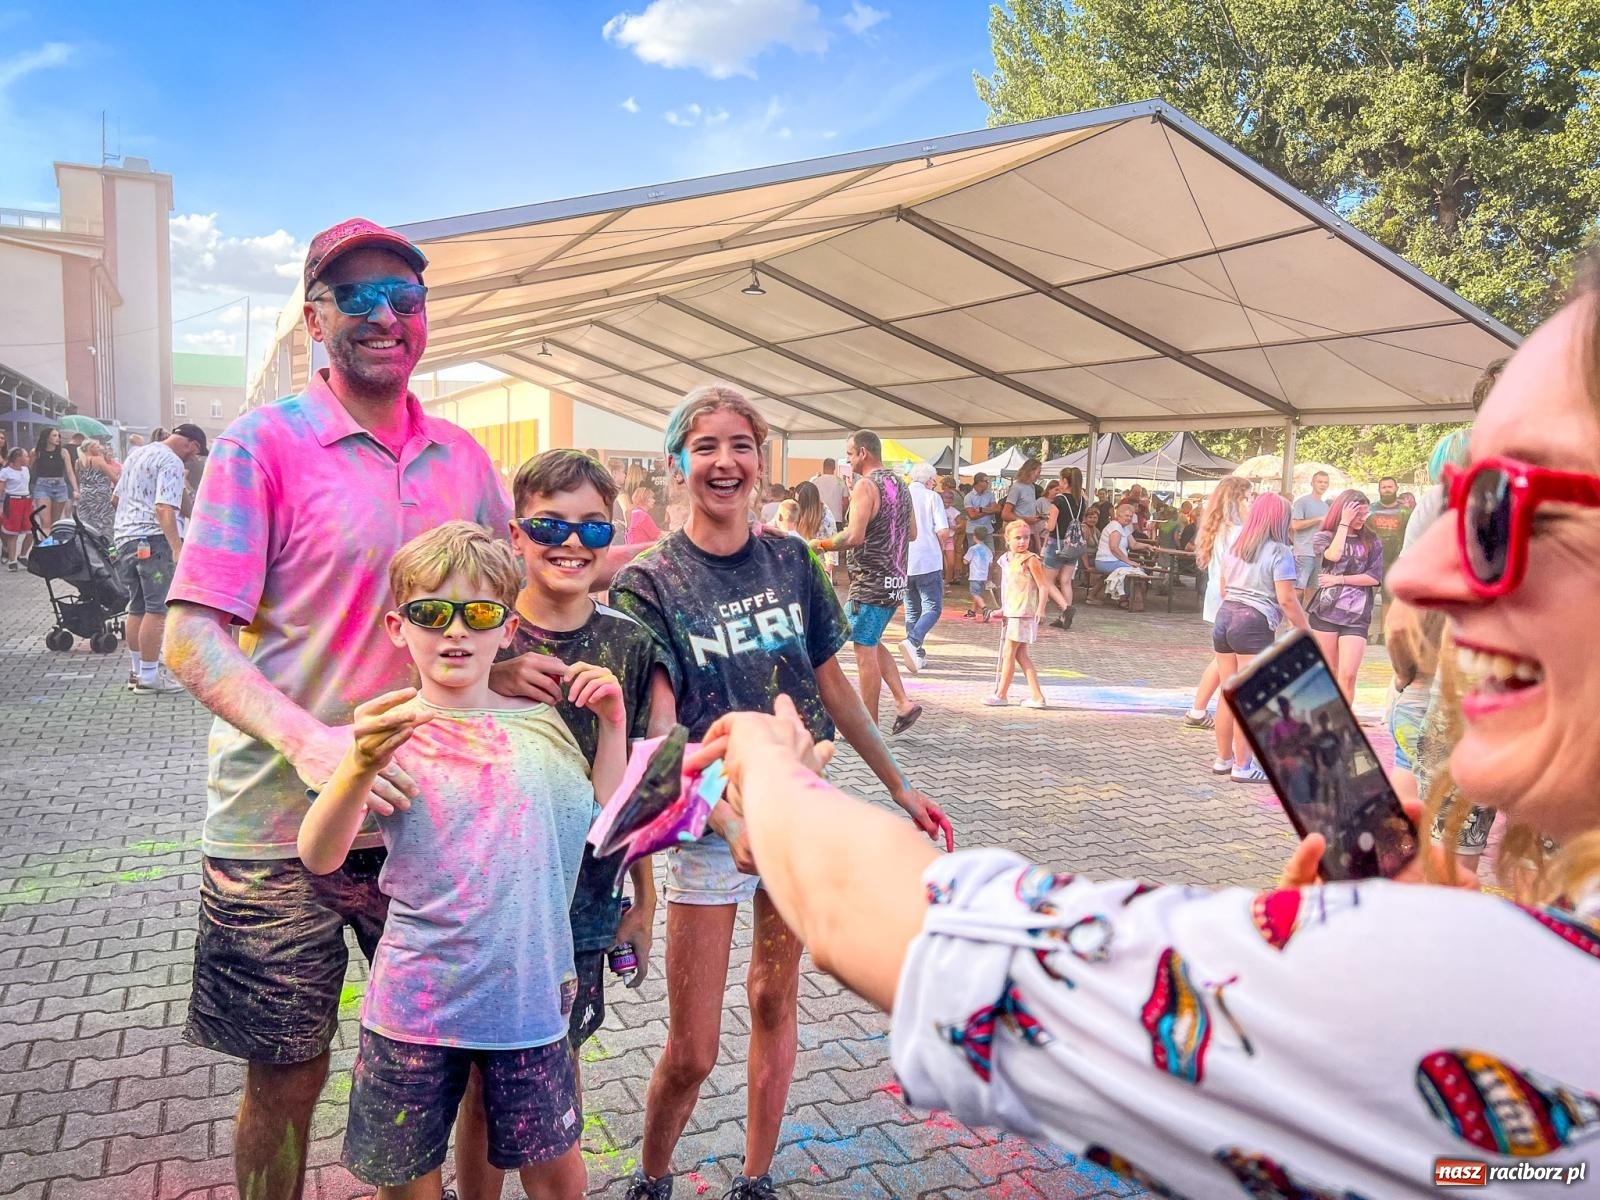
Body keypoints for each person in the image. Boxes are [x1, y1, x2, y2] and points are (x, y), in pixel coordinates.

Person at [679, 260, 1600, 1190]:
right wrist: (1448, 947)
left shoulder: (1533, 1014)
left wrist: (771, 765)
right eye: (1459, 500)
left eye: (1507, 509)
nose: (1416, 577)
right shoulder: (1531, 985)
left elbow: (942, 941)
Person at [162, 219, 542, 1200]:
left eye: (403, 299)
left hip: (435, 820)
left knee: (455, 1064)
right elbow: (190, 637)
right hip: (275, 825)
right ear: (315, 317)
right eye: (357, 297)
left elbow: (500, 608)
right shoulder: (262, 445)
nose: (384, 316)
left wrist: (538, 676)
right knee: (287, 1075)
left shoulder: (464, 459)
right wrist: (312, 741)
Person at [612, 385, 950, 1200]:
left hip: (794, 814)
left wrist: (901, 786)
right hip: (711, 827)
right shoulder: (649, 581)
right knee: (693, 1049)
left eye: (741, 445)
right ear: (676, 464)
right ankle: (651, 1178)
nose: (725, 462)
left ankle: (756, 1178)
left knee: (773, 999)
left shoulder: (792, 562)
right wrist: (731, 823)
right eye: (705, 446)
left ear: (761, 463)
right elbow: (659, 737)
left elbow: (832, 687)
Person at [298, 523, 622, 1200]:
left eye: (477, 613)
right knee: (407, 1186)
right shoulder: (384, 729)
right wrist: (357, 765)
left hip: (529, 997)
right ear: (398, 627)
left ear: (507, 628)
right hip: (415, 1007)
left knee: (558, 1179)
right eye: (430, 612)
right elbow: (320, 854)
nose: (454, 631)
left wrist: (614, 724)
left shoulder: (542, 722)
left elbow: (600, 820)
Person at [451, 450, 672, 1200]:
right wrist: (491, 676)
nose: (571, 543)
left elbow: (640, 789)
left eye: (592, 527)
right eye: (549, 525)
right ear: (516, 535)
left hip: (584, 902)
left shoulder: (632, 645)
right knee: (482, 1081)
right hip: (488, 901)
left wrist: (644, 901)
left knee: (559, 1067)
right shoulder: (481, 631)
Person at [815, 429, 924, 734]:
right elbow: (912, 532)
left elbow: (853, 536)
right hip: (896, 579)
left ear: (863, 453)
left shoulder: (866, 486)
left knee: (863, 650)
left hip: (871, 581)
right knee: (869, 640)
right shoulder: (900, 485)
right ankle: (903, 702)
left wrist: (820, 544)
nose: (848, 461)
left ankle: (868, 728)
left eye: (850, 454)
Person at [1209, 493, 1309, 781]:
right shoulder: (1280, 551)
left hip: (1225, 617)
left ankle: (1223, 759)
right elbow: (1287, 599)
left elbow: (1224, 588)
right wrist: (1305, 630)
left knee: (1227, 694)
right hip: (1253, 622)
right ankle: (1243, 766)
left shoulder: (1236, 546)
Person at [113, 425, 208, 695]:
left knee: (137, 607)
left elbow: (115, 499)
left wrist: (195, 513)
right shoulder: (171, 462)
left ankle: (137, 672)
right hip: (154, 541)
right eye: (196, 452)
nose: (193, 458)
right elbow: (164, 507)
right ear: (191, 444)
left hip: (126, 539)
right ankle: (150, 676)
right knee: (157, 609)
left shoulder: (136, 455)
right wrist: (176, 547)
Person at [1182, 477, 1253, 730]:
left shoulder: (1218, 526)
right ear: (1235, 499)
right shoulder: (1236, 530)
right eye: (1247, 498)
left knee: (1223, 658)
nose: (1251, 503)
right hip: (1232, 596)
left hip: (1218, 596)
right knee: (1230, 662)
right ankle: (1220, 715)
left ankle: (1197, 710)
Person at [1308, 490, 1384, 701]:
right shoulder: (1324, 536)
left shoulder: (1372, 540)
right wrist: (1344, 523)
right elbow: (1333, 555)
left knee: (1348, 675)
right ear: (1343, 512)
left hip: (1357, 614)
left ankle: (1344, 717)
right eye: (1357, 514)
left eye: (1365, 513)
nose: (1362, 518)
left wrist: (1339, 579)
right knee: (1328, 673)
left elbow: (1373, 577)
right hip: (1325, 612)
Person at [984, 520, 1048, 709]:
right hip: (1012, 611)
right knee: (1021, 655)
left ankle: (1001, 694)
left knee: (1008, 653)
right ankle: (1037, 697)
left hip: (1023, 612)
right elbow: (1008, 587)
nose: (1022, 541)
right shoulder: (1005, 559)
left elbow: (1043, 586)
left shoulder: (1031, 559)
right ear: (1008, 539)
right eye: (1018, 538)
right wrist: (1003, 609)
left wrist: (1041, 609)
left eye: (1026, 537)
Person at [899, 461, 950, 675]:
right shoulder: (932, 497)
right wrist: (941, 547)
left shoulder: (901, 497)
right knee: (932, 608)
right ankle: (913, 641)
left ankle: (917, 654)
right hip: (928, 559)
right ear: (929, 480)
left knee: (912, 609)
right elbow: (943, 530)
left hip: (903, 560)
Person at [1041, 466, 1087, 629]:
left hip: (1057, 543)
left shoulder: (1059, 500)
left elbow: (1051, 526)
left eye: (1060, 479)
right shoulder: (1081, 501)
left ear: (1065, 481)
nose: (1059, 482)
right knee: (1066, 580)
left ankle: (1066, 608)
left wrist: (1045, 523)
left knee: (1047, 581)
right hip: (1073, 544)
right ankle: (1064, 618)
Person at [1092, 501, 1153, 591]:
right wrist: (1128, 561)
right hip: (1106, 561)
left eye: (1131, 516)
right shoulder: (1115, 527)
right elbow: (1114, 548)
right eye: (1126, 516)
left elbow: (1133, 544)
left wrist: (1147, 546)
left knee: (1135, 570)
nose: (1129, 518)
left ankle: (1094, 594)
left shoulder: (1124, 527)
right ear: (1118, 515)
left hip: (1113, 561)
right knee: (1138, 571)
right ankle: (1125, 596)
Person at [29, 427, 76, 530]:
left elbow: (70, 472)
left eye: (58, 436)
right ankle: (46, 540)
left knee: (55, 522)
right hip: (42, 486)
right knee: (45, 521)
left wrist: (75, 489)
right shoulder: (36, 452)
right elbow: (29, 469)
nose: (57, 438)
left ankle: (53, 539)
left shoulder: (63, 452)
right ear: (47, 437)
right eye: (54, 435)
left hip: (60, 485)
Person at [73, 439, 118, 538]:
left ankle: (90, 543)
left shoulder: (78, 462)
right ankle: (108, 545)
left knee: (87, 521)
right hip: (100, 495)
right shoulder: (98, 460)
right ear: (90, 448)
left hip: (84, 494)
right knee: (105, 522)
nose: (100, 449)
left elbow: (78, 479)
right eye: (97, 447)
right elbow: (114, 478)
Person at [1000, 456, 1044, 543]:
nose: (1039, 475)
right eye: (1038, 472)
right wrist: (1025, 520)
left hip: (1029, 532)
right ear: (1031, 471)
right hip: (1018, 534)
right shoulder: (1017, 487)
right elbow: (1005, 514)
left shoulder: (1031, 487)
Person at [1, 447, 30, 568]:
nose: (28, 458)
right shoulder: (5, 472)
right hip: (13, 500)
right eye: (26, 456)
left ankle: (22, 555)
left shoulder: (26, 469)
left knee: (31, 530)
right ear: (18, 457)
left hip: (26, 500)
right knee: (13, 532)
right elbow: (1, 489)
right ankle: (12, 560)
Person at [962, 527, 995, 621]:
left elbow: (965, 561)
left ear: (974, 536)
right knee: (978, 594)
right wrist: (989, 578)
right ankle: (972, 612)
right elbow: (990, 564)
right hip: (984, 576)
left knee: (975, 594)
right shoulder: (988, 550)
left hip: (975, 576)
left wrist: (963, 559)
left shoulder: (973, 549)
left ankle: (985, 609)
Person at [963, 472, 1000, 545]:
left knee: (990, 551)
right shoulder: (968, 497)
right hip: (973, 531)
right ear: (979, 482)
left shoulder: (990, 495)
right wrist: (989, 510)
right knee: (975, 551)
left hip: (987, 530)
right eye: (986, 481)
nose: (988, 483)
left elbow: (997, 509)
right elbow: (972, 516)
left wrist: (980, 510)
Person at [808, 457, 848, 526]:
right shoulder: (840, 482)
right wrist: (843, 515)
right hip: (836, 519)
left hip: (819, 519)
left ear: (823, 467)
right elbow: (845, 502)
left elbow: (811, 502)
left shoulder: (815, 482)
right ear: (834, 468)